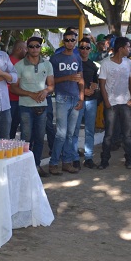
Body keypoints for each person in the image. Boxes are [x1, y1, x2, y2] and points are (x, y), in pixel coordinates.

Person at [12, 36, 55, 177]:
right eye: (31, 46)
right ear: (27, 48)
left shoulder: (47, 64)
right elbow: (13, 88)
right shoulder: (19, 65)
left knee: (40, 137)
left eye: (37, 46)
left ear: (40, 48)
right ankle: (24, 167)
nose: (34, 49)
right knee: (26, 138)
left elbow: (51, 85)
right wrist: (30, 94)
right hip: (25, 106)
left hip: (42, 106)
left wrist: (46, 91)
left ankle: (36, 166)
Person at [48, 28, 84, 175]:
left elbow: (81, 78)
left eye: (73, 40)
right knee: (61, 134)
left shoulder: (78, 58)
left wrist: (82, 97)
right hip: (62, 98)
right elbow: (50, 80)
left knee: (70, 134)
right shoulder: (55, 58)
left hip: (75, 98)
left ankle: (67, 162)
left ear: (76, 41)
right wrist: (67, 78)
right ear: (64, 41)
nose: (70, 42)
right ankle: (53, 163)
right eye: (67, 40)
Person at [98, 36, 131, 169]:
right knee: (109, 134)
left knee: (127, 134)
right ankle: (104, 160)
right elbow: (102, 84)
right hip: (111, 104)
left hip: (125, 102)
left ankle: (129, 159)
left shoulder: (128, 63)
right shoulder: (106, 63)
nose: (129, 49)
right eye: (128, 47)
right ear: (121, 49)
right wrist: (106, 102)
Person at [73, 36, 100, 168]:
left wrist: (93, 87)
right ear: (78, 49)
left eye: (87, 48)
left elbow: (96, 82)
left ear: (91, 49)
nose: (84, 50)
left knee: (90, 130)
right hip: (78, 100)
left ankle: (88, 157)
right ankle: (74, 157)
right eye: (82, 47)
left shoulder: (93, 65)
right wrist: (82, 93)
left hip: (91, 101)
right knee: (75, 129)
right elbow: (71, 83)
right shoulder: (74, 63)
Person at [8, 39, 27, 138]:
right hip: (10, 101)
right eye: (25, 49)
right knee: (8, 127)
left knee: (16, 126)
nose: (27, 51)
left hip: (22, 100)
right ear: (19, 49)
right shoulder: (8, 62)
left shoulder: (24, 62)